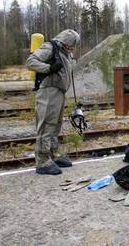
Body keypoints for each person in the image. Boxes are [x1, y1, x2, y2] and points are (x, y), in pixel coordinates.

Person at [26, 29, 80, 175]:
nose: (73, 48)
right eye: (72, 44)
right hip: (48, 91)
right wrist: (48, 68)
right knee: (46, 125)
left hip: (58, 92)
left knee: (55, 124)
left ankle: (52, 155)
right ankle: (42, 161)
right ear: (65, 42)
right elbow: (31, 62)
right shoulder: (49, 48)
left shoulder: (64, 52)